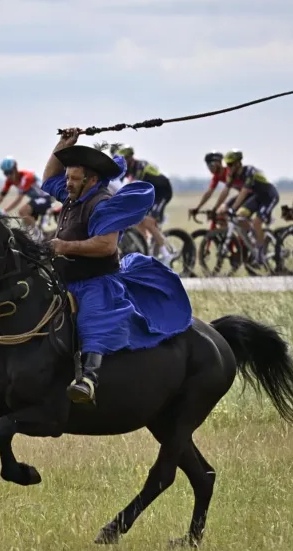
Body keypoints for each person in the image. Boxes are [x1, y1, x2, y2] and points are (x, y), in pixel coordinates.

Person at [40, 129, 193, 404]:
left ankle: (88, 379)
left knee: (93, 321)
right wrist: (62, 144)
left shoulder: (102, 204)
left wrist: (64, 246)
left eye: (74, 178)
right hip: (65, 279)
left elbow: (106, 246)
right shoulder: (72, 195)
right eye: (68, 177)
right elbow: (49, 178)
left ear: (91, 180)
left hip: (97, 282)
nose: (67, 183)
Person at [117, 146, 176, 263]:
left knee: (148, 221)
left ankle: (167, 255)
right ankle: (147, 250)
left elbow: (135, 187)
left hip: (163, 191)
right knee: (139, 221)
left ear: (130, 158)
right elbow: (120, 184)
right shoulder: (128, 168)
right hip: (152, 193)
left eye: (124, 160)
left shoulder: (140, 166)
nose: (122, 164)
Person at [221, 150, 279, 264]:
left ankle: (261, 252)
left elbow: (244, 191)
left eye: (230, 164)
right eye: (227, 165)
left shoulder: (249, 171)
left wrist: (233, 208)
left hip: (269, 196)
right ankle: (254, 237)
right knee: (239, 216)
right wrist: (221, 206)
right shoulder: (231, 174)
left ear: (238, 163)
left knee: (257, 222)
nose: (228, 167)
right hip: (257, 196)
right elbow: (225, 190)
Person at [0, 157, 54, 237]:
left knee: (23, 212)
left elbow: (19, 198)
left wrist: (5, 210)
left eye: (10, 172)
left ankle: (40, 237)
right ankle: (38, 234)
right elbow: (1, 196)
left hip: (47, 198)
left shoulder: (26, 177)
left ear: (15, 169)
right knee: (25, 222)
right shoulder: (9, 181)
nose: (8, 176)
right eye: (6, 173)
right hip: (37, 199)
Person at [189, 151, 228, 217]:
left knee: (223, 212)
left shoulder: (229, 172)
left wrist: (215, 208)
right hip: (241, 195)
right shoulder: (216, 176)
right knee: (219, 214)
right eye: (207, 165)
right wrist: (198, 208)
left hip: (244, 194)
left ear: (218, 163)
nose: (209, 168)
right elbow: (209, 193)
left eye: (211, 165)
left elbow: (225, 193)